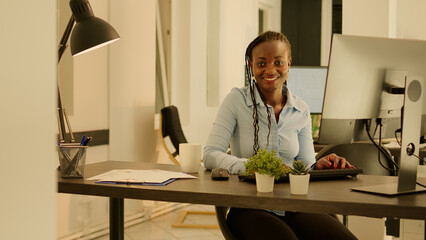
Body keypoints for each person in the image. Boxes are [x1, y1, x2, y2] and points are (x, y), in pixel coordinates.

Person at [203, 31, 357, 240]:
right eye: (261, 63)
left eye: (278, 62)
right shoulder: (237, 101)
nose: (270, 69)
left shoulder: (300, 109)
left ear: (288, 63)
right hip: (250, 207)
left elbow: (304, 164)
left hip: (295, 204)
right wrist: (251, 166)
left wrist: (319, 165)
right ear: (251, 66)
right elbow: (211, 154)